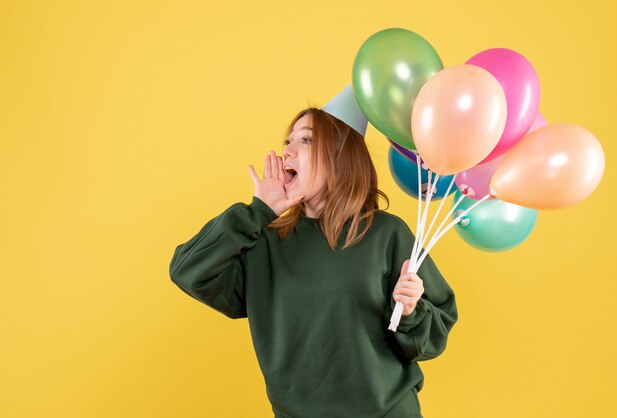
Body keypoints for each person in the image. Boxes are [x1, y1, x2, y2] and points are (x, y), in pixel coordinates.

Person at [169, 93, 458, 417]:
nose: (287, 151)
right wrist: (257, 212)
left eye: (305, 140)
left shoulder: (386, 234)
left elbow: (433, 338)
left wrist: (409, 312)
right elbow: (187, 270)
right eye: (287, 141)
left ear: (339, 156)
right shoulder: (263, 243)